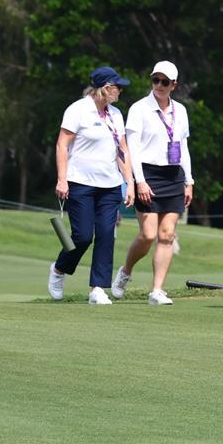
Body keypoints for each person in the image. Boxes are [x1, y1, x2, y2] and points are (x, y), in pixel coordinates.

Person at [48, 66, 135, 305]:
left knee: (107, 235)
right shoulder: (78, 110)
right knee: (83, 236)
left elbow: (122, 150)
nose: (120, 91)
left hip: (110, 185)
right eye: (117, 87)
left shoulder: (116, 114)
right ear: (105, 88)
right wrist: (62, 179)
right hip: (80, 182)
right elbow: (62, 145)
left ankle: (97, 288)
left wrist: (130, 182)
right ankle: (59, 269)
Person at [111, 61, 193, 305]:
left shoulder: (180, 110)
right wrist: (139, 182)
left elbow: (184, 147)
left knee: (167, 234)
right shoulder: (139, 108)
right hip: (147, 173)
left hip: (173, 175)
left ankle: (157, 290)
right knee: (148, 235)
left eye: (164, 82)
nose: (159, 85)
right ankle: (126, 271)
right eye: (155, 80)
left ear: (174, 85)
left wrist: (189, 180)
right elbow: (132, 149)